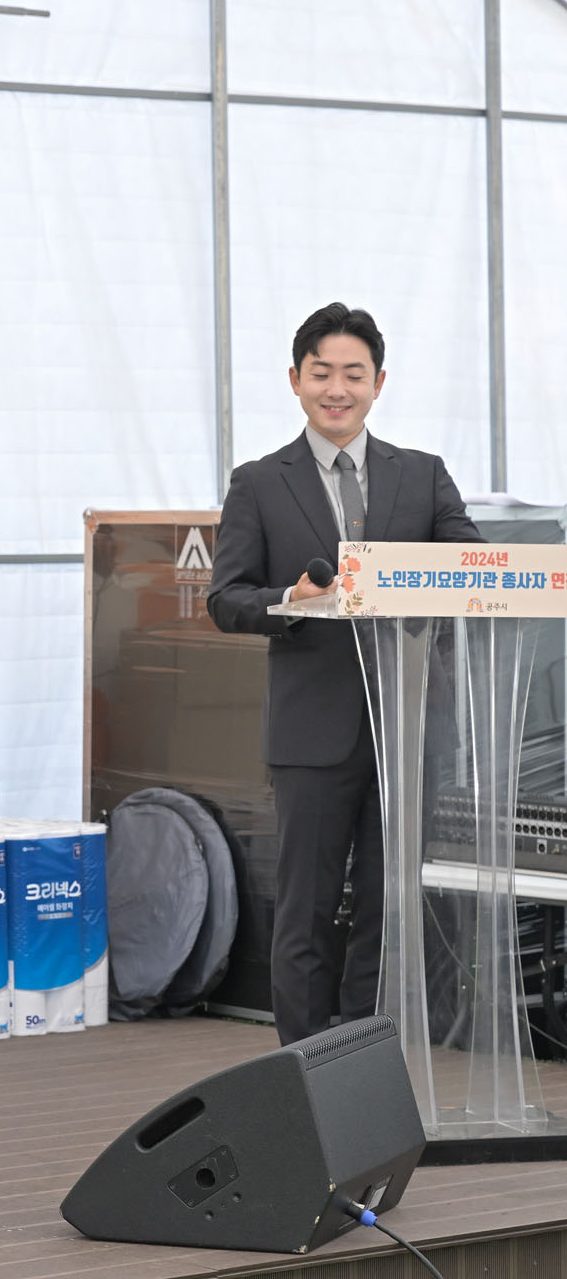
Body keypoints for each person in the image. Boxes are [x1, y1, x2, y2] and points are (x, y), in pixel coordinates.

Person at [208, 302, 481, 1046]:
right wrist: (289, 600)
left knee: (389, 909)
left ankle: (366, 1062)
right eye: (321, 373)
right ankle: (305, 1072)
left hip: (408, 728)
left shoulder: (423, 476)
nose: (338, 389)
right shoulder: (259, 483)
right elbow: (226, 599)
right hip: (312, 734)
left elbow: (471, 568)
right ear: (295, 380)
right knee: (307, 910)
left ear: (378, 383)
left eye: (353, 374)